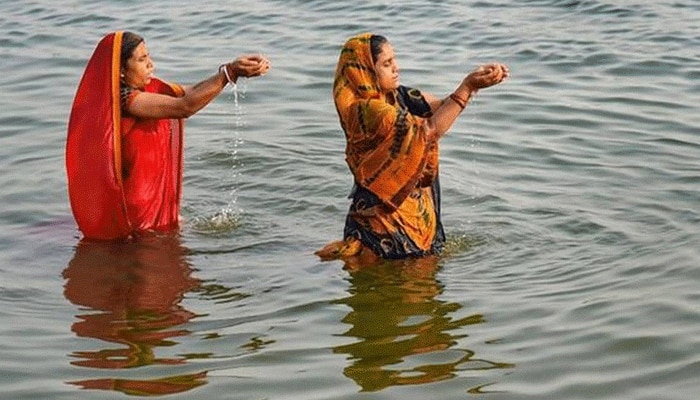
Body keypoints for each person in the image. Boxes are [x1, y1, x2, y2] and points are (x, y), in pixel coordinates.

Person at [316, 32, 508, 262]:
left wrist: (478, 81)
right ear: (365, 70)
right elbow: (428, 131)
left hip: (413, 218)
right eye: (387, 64)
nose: (396, 68)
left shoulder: (397, 96)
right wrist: (466, 87)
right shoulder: (368, 111)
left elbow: (441, 108)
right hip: (382, 226)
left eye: (394, 60)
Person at [66, 31, 270, 241]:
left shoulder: (149, 91)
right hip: (136, 219)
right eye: (142, 59)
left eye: (149, 57)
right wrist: (228, 73)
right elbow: (185, 107)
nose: (151, 65)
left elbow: (190, 93)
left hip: (152, 212)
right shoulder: (125, 102)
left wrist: (231, 71)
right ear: (120, 71)